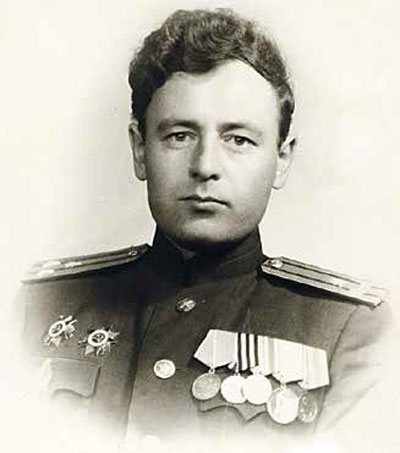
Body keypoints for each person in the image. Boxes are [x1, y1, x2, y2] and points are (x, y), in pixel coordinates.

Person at [17, 8, 396, 453]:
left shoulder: (351, 329)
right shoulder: (36, 306)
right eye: (180, 136)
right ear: (140, 149)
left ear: (282, 158)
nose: (205, 166)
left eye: (239, 140)